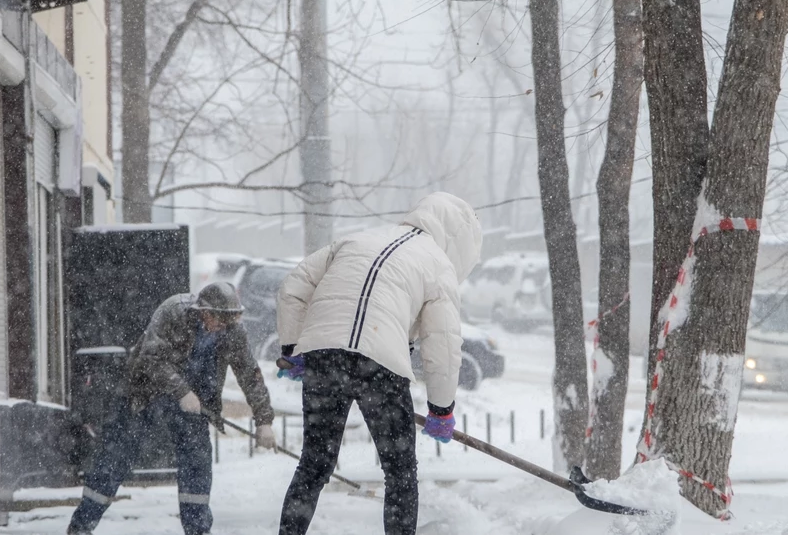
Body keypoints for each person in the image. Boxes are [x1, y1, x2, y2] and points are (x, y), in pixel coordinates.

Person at [275, 192, 482, 535]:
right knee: (400, 472)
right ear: (460, 241)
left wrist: (293, 349)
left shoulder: (357, 238)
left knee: (314, 463)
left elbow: (293, 287)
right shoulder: (438, 265)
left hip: (324, 356)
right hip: (380, 368)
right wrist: (441, 409)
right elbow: (442, 345)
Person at [67, 282, 277, 535]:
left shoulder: (232, 331)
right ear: (204, 312)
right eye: (219, 319)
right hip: (144, 394)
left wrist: (264, 420)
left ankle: (197, 530)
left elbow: (249, 374)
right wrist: (182, 391)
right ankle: (81, 525)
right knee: (116, 456)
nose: (223, 326)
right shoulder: (173, 311)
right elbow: (150, 358)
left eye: (229, 320)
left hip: (193, 404)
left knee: (197, 462)